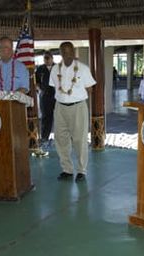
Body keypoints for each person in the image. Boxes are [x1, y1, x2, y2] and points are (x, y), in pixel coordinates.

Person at [49, 42, 96, 182]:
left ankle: (81, 170)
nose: (67, 55)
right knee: (61, 139)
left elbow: (90, 89)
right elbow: (54, 88)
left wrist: (79, 100)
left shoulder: (83, 69)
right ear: (60, 53)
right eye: (64, 52)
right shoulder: (54, 69)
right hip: (60, 107)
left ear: (74, 52)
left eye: (69, 52)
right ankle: (67, 170)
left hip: (78, 107)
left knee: (79, 139)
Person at [35, 51, 56, 153]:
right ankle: (44, 138)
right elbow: (36, 82)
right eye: (45, 58)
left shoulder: (58, 67)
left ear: (52, 58)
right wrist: (40, 89)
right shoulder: (40, 69)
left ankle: (62, 138)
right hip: (45, 96)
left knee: (60, 117)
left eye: (48, 58)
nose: (47, 60)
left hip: (57, 96)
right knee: (46, 117)